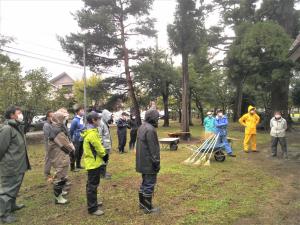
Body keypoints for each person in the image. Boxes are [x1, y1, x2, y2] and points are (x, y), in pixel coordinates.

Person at [0, 106, 31, 224]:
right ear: (12, 115)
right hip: (10, 166)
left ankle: (11, 206)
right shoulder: (7, 129)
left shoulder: (17, 127)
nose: (21, 114)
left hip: (19, 165)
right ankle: (3, 214)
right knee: (7, 189)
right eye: (19, 113)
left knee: (15, 187)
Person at [81, 112, 107, 216]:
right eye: (98, 119)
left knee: (92, 185)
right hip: (93, 164)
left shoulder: (91, 131)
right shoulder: (91, 134)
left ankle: (94, 203)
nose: (99, 121)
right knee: (92, 186)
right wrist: (105, 155)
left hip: (93, 162)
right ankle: (92, 208)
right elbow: (99, 148)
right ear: (93, 120)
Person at [136, 109, 160, 214]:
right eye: (157, 117)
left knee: (145, 182)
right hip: (149, 162)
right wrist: (156, 163)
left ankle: (142, 204)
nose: (158, 119)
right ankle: (147, 208)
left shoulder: (142, 127)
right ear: (153, 118)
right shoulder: (150, 130)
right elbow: (153, 149)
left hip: (142, 162)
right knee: (149, 184)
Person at [48, 112, 75, 205]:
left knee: (63, 174)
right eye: (63, 118)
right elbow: (65, 144)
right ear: (58, 119)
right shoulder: (56, 130)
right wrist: (72, 148)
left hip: (62, 155)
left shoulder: (57, 128)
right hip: (59, 156)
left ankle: (61, 192)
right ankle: (58, 197)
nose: (64, 120)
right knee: (59, 175)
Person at [57, 108, 78, 172]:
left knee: (72, 153)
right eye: (64, 113)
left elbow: (67, 130)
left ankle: (72, 168)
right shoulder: (58, 122)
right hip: (62, 142)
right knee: (64, 157)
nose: (66, 115)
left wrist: (70, 139)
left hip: (68, 139)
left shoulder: (64, 121)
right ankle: (61, 173)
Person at [98, 109, 113, 179]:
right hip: (103, 146)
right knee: (103, 160)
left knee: (106, 159)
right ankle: (102, 174)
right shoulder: (101, 123)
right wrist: (101, 146)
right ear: (105, 116)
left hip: (106, 145)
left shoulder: (105, 122)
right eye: (108, 116)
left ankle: (104, 172)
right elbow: (99, 135)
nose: (109, 118)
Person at [70, 104, 85, 170]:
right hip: (76, 139)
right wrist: (71, 139)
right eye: (81, 110)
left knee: (80, 152)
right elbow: (71, 130)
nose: (83, 111)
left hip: (82, 138)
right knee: (75, 153)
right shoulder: (75, 120)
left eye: (83, 110)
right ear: (77, 112)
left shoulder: (81, 119)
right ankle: (72, 167)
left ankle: (78, 165)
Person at [43, 110, 54, 182]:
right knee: (48, 159)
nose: (52, 117)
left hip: (53, 144)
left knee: (52, 159)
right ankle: (46, 173)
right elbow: (48, 137)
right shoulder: (46, 125)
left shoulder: (52, 124)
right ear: (47, 117)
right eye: (51, 116)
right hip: (49, 145)